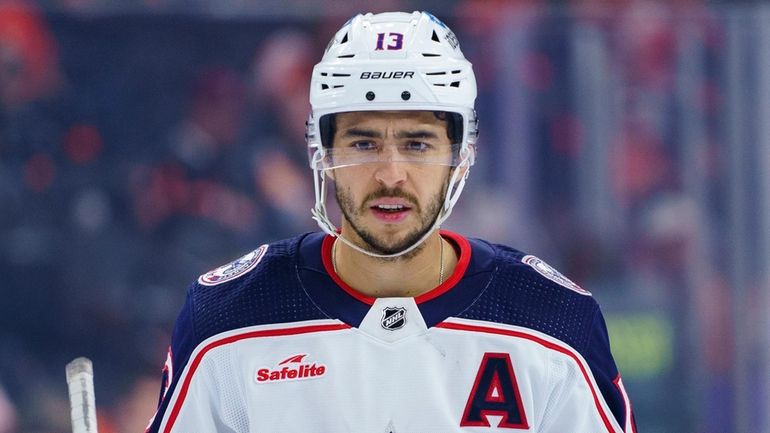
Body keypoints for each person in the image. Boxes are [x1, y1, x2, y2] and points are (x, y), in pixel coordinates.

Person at [146, 11, 636, 432]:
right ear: (322, 152)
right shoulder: (228, 321)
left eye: (418, 144)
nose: (391, 174)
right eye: (363, 144)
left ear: (460, 156)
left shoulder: (552, 323)